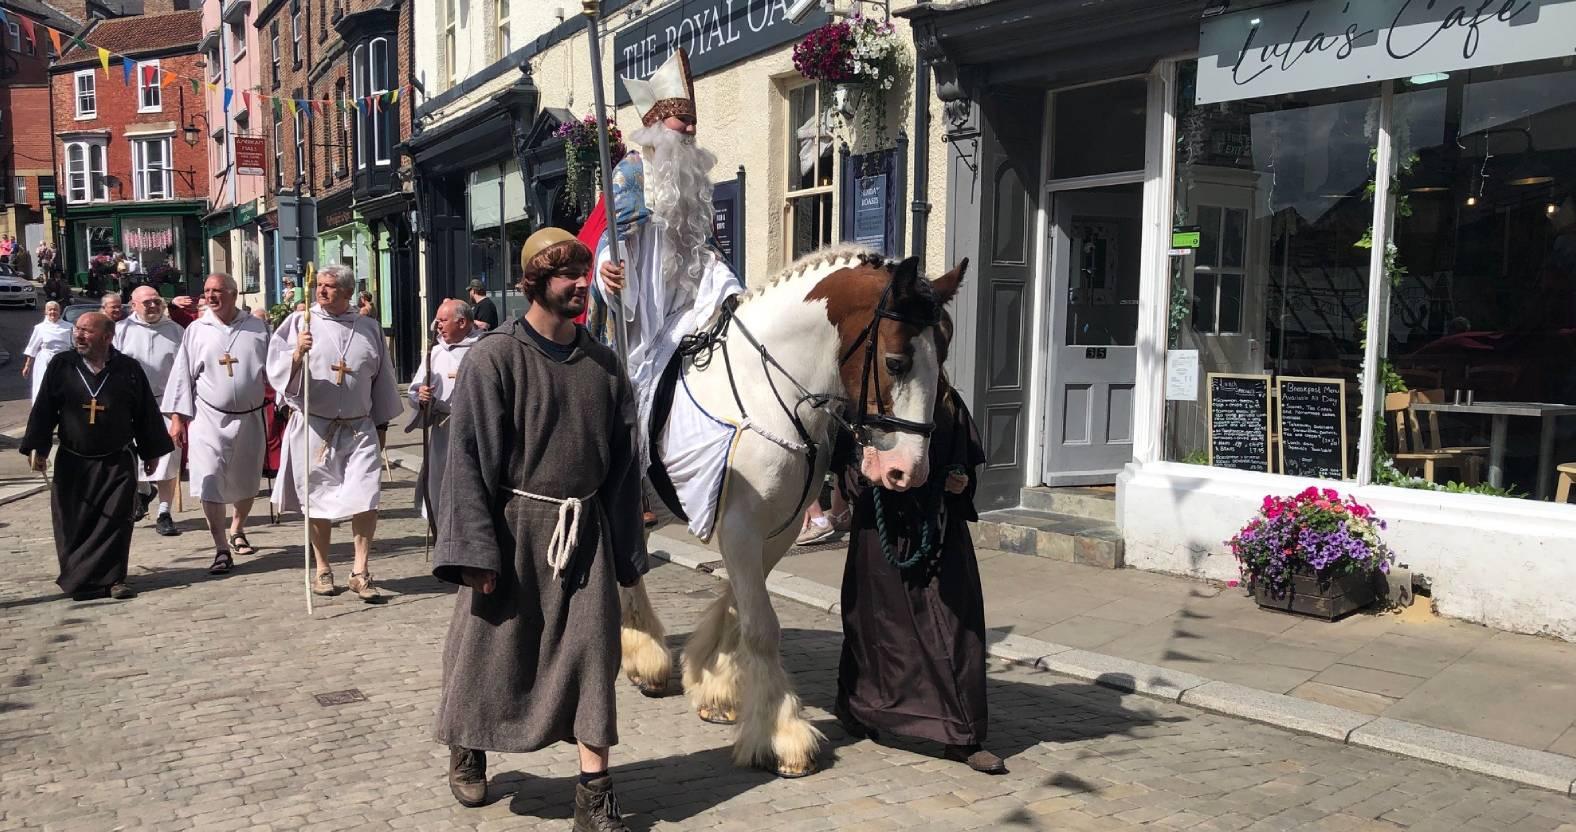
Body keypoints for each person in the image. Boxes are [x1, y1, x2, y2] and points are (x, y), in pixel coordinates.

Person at [433, 228, 645, 830]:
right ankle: (468, 743)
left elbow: (625, 468)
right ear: (532, 282)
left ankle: (594, 795)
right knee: (489, 651)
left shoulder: (604, 366)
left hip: (585, 535)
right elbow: (468, 461)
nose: (581, 284)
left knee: (591, 659)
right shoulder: (494, 357)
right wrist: (475, 550)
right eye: (566, 275)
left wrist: (627, 552)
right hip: (510, 529)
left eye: (584, 273)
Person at [834, 317, 1004, 775]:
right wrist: (864, 469)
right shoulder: (871, 405)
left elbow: (966, 465)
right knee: (875, 629)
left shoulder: (948, 404)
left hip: (939, 534)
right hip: (881, 533)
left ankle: (963, 736)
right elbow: (846, 478)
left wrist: (959, 481)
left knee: (956, 630)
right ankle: (859, 706)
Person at [593, 48, 743, 467]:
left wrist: (729, 284)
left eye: (694, 121)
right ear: (657, 124)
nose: (692, 129)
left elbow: (705, 245)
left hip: (683, 297)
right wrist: (609, 268)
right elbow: (612, 235)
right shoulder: (630, 172)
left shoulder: (692, 176)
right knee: (633, 383)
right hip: (644, 300)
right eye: (684, 121)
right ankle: (629, 471)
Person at [268, 264, 402, 602]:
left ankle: (360, 570)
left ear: (346, 293)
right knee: (318, 500)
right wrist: (297, 353)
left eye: (330, 287)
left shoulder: (368, 328)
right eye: (320, 286)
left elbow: (383, 378)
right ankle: (323, 566)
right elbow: (276, 371)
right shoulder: (301, 323)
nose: (322, 292)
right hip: (316, 426)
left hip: (359, 427)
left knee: (366, 496)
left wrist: (382, 422)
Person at [19, 312, 174, 601]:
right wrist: (39, 448)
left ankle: (115, 579)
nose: (78, 335)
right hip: (73, 460)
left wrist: (151, 450)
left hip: (117, 460)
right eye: (77, 330)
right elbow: (44, 408)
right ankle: (82, 580)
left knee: (115, 521)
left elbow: (143, 412)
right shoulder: (62, 365)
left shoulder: (127, 369)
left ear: (106, 337)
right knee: (73, 521)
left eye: (87, 331)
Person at [164, 275, 273, 574]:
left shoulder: (257, 328)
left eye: (217, 291)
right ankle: (221, 547)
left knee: (247, 480)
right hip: (207, 418)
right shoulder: (197, 330)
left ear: (234, 294)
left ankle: (238, 528)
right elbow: (182, 376)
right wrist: (176, 419)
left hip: (250, 416)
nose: (211, 296)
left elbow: (276, 370)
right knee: (210, 477)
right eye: (207, 291)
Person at [115, 287, 185, 535]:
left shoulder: (176, 331)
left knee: (167, 457)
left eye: (157, 301)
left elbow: (183, 374)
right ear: (133, 305)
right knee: (133, 458)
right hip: (131, 405)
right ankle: (143, 492)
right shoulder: (122, 331)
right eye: (147, 303)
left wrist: (179, 413)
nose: (153, 306)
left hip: (165, 404)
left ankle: (164, 512)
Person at [405, 298, 479, 523]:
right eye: (438, 320)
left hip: (475, 430)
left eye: (443, 320)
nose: (438, 325)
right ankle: (441, 530)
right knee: (439, 483)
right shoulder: (435, 353)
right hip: (443, 430)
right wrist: (422, 396)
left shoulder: (484, 349)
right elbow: (415, 390)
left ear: (462, 322)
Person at [23, 302, 74, 404]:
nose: (53, 312)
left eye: (55, 309)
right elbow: (32, 347)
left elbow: (76, 345)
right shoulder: (40, 328)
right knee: (42, 385)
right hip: (44, 359)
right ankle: (40, 408)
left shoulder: (69, 327)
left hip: (63, 360)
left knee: (62, 385)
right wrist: (27, 365)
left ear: (60, 312)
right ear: (45, 311)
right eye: (50, 309)